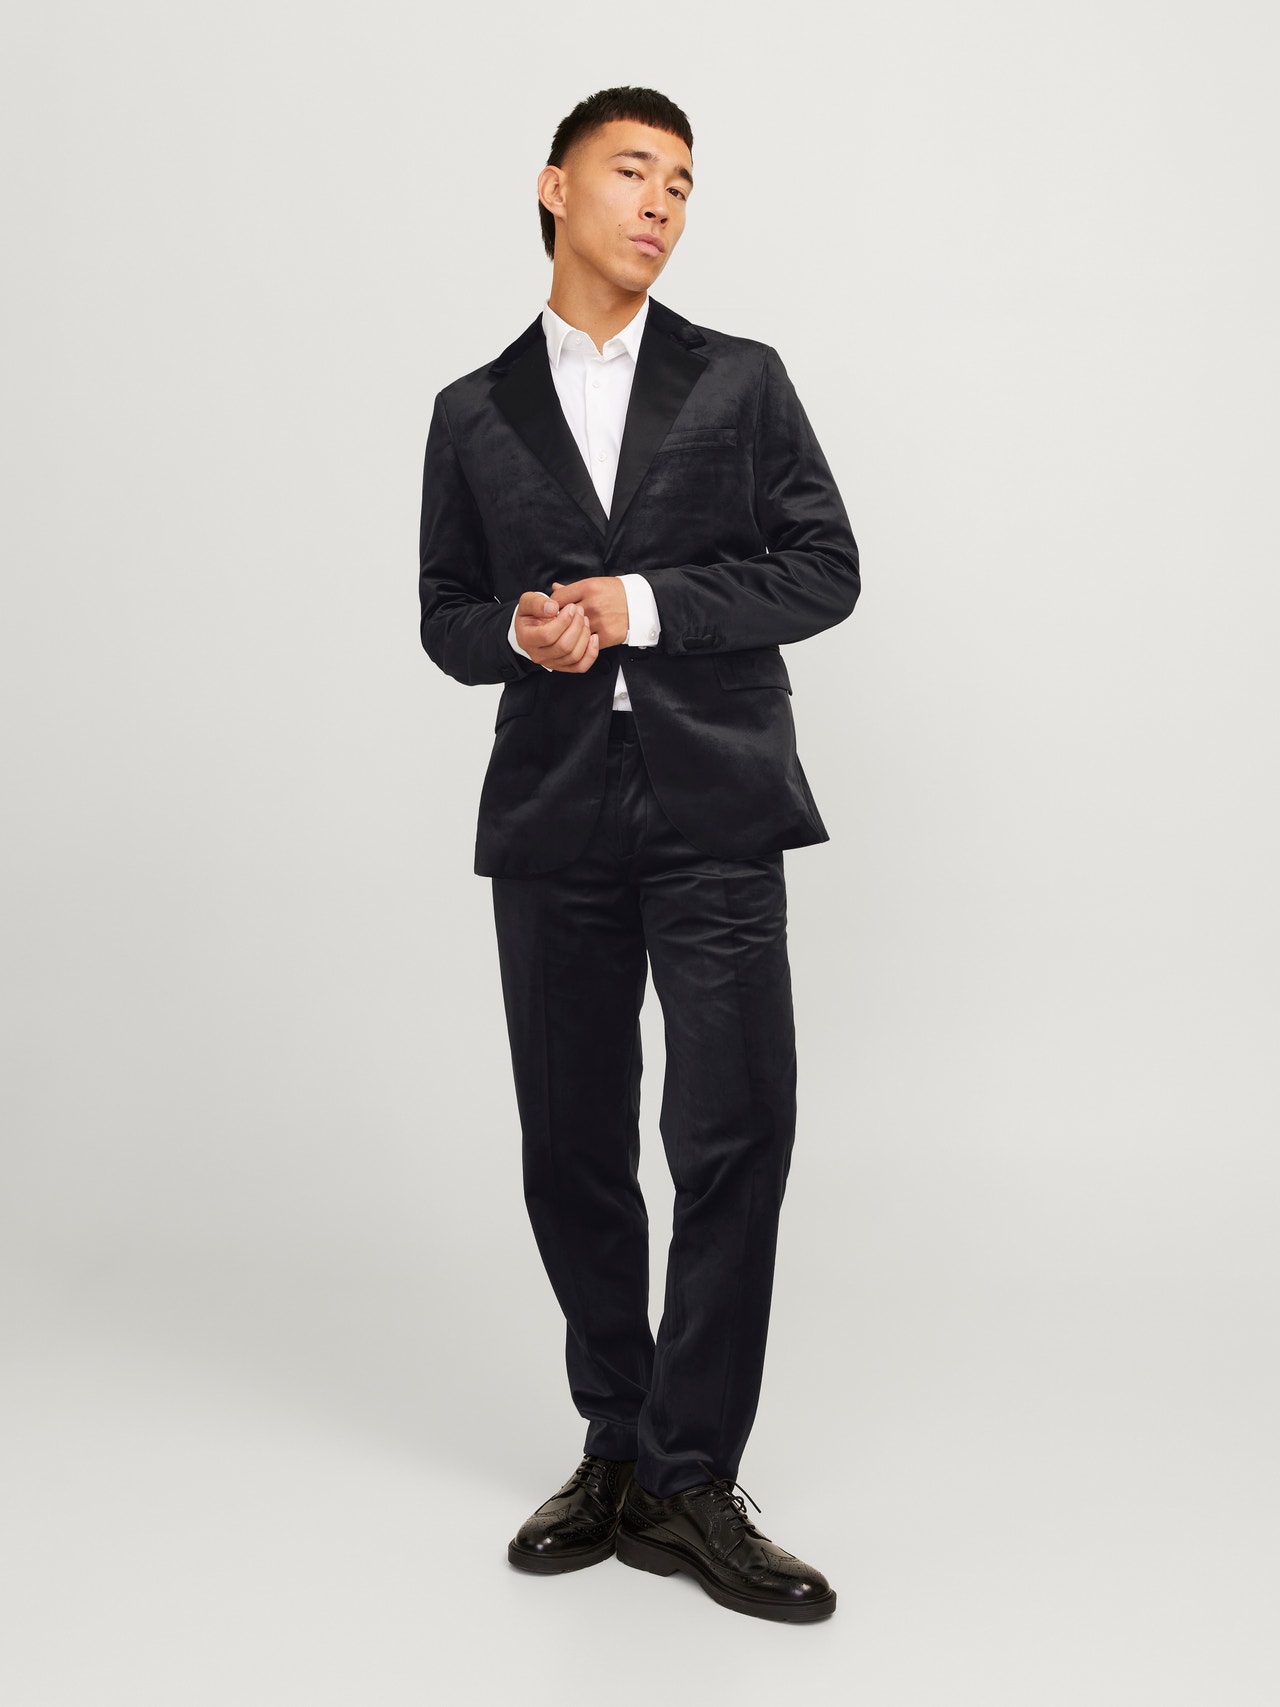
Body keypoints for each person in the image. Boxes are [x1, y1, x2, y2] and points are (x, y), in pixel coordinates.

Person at [418, 85, 859, 1623]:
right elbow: (445, 616)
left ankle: (690, 1474)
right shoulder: (472, 412)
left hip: (716, 803)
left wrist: (647, 607)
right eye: (633, 170)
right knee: (572, 1140)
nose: (663, 201)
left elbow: (825, 567)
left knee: (734, 1130)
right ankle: (617, 1443)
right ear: (556, 188)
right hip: (553, 812)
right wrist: (521, 632)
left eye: (683, 181)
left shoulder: (740, 381)